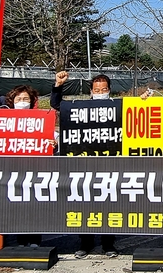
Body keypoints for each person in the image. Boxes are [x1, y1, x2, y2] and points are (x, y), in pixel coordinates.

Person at [49, 70, 118, 258]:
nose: (100, 92)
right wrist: (58, 85)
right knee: (84, 204)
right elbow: (56, 104)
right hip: (83, 164)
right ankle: (85, 243)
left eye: (104, 89)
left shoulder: (117, 106)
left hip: (109, 164)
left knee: (108, 205)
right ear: (91, 90)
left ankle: (108, 244)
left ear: (109, 90)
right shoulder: (81, 107)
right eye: (97, 89)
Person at [6, 85, 47, 248]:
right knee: (16, 205)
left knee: (34, 205)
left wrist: (53, 143)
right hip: (12, 169)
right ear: (12, 101)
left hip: (34, 168)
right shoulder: (4, 120)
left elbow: (49, 138)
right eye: (18, 99)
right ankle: (21, 240)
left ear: (32, 102)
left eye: (25, 99)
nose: (22, 102)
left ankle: (35, 239)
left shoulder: (41, 118)